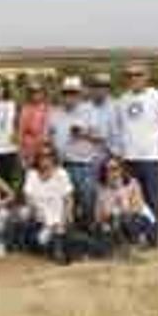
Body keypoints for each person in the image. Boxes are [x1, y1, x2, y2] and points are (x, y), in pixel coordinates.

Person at [116, 63, 158, 247]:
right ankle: (134, 236)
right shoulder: (122, 100)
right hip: (128, 158)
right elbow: (119, 127)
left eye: (138, 74)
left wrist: (150, 141)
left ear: (146, 76)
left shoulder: (157, 98)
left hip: (151, 158)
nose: (134, 78)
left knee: (151, 199)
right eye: (130, 75)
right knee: (131, 199)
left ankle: (152, 238)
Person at [48, 76, 97, 230]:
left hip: (85, 165)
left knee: (87, 200)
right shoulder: (54, 113)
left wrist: (83, 134)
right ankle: (71, 234)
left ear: (80, 94)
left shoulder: (89, 111)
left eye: (73, 93)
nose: (70, 96)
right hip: (63, 165)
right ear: (62, 94)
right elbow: (50, 136)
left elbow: (99, 137)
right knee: (67, 201)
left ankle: (87, 232)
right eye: (66, 93)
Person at [23, 146, 74, 264]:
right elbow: (28, 198)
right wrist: (37, 212)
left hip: (58, 217)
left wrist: (66, 217)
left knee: (59, 232)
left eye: (48, 155)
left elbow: (69, 199)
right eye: (42, 156)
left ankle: (59, 252)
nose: (45, 159)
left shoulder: (62, 174)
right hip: (39, 218)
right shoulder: (32, 174)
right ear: (37, 158)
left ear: (54, 158)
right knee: (40, 239)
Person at [94, 158, 156, 252]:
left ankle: (138, 243)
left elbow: (136, 208)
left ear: (121, 169)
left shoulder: (132, 183)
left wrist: (120, 192)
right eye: (107, 170)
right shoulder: (102, 190)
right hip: (114, 222)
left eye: (114, 168)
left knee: (125, 219)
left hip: (139, 220)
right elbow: (98, 216)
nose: (111, 173)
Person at [18, 79, 50, 167]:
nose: (35, 94)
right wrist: (21, 152)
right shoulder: (25, 109)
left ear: (43, 93)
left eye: (38, 91)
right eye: (33, 92)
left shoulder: (48, 108)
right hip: (29, 149)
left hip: (44, 149)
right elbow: (21, 132)